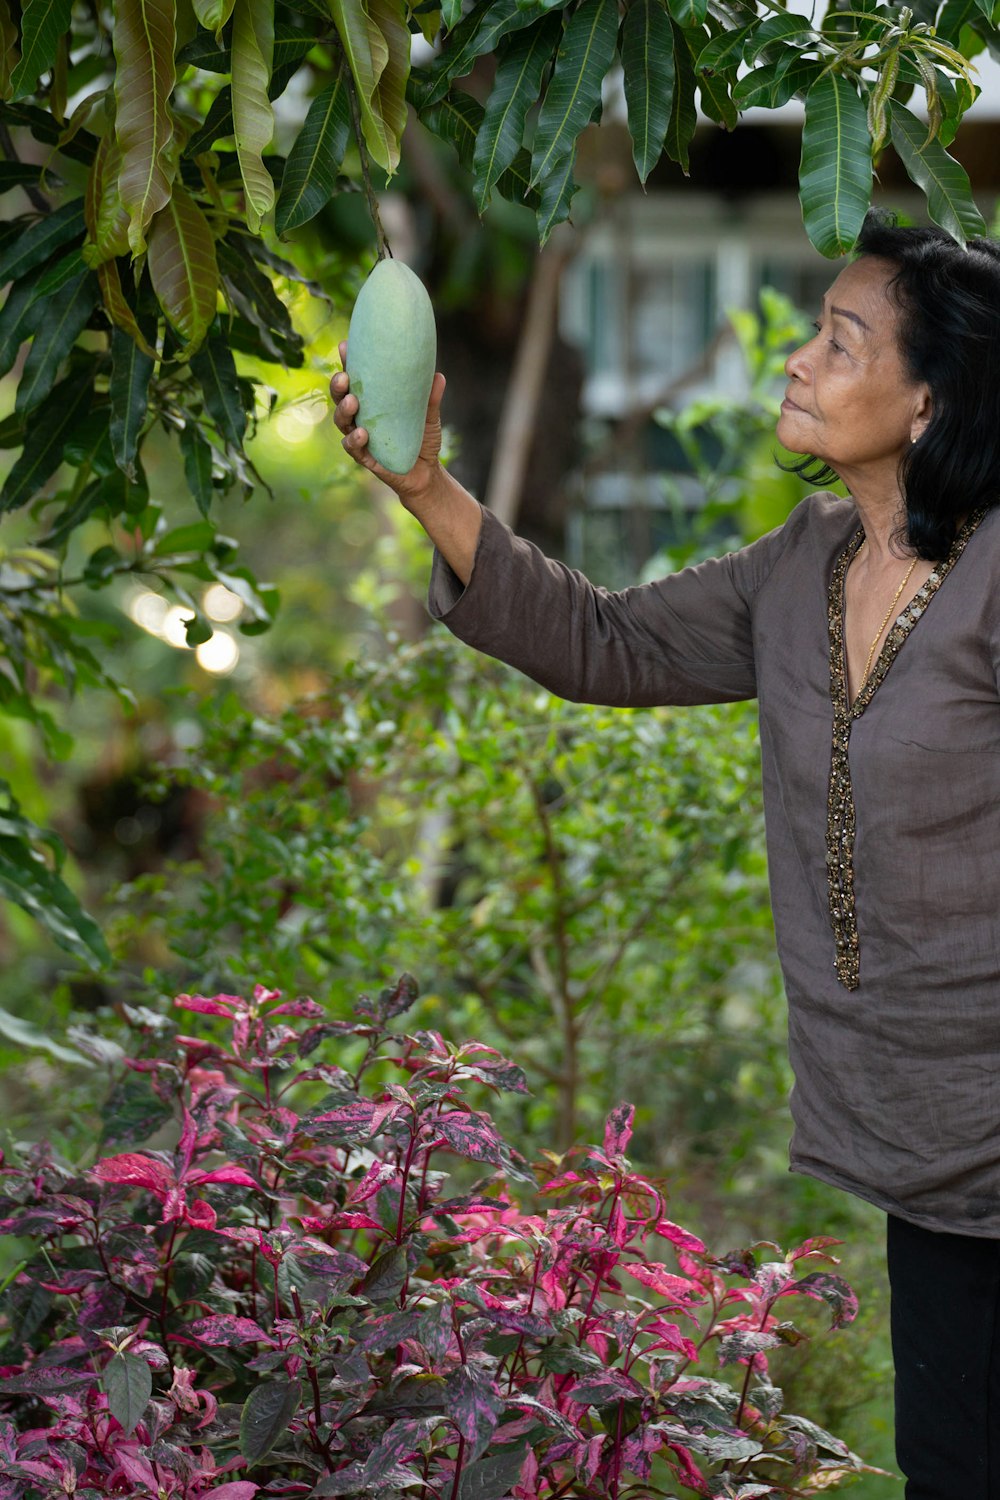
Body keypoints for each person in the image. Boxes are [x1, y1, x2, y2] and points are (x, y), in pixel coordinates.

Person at [331, 209, 1000, 1499]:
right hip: (931, 1144)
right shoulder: (803, 565)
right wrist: (424, 484)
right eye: (814, 330)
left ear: (929, 403)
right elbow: (606, 642)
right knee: (956, 1465)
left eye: (840, 341)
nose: (800, 360)